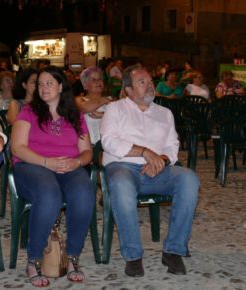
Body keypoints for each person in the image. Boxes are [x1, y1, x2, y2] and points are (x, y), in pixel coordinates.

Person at [100, 64, 199, 277]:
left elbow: (172, 145)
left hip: (158, 169)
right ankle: (133, 255)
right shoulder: (115, 109)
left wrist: (160, 160)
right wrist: (145, 152)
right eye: (142, 82)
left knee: (189, 179)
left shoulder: (165, 113)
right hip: (123, 166)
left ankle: (173, 250)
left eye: (150, 81)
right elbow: (109, 142)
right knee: (121, 184)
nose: (149, 86)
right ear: (128, 90)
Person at [11, 65, 95, 287]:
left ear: (60, 86)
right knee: (50, 195)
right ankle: (34, 259)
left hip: (68, 166)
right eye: (40, 84)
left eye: (49, 83)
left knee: (84, 191)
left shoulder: (75, 115)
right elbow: (17, 148)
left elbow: (87, 152)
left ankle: (73, 256)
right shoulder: (28, 112)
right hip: (32, 166)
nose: (44, 87)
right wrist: (47, 162)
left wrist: (76, 162)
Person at [76, 66, 111, 145]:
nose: (98, 82)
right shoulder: (80, 100)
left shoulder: (111, 99)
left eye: (100, 79)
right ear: (85, 85)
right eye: (93, 79)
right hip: (88, 148)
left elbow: (120, 116)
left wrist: (103, 115)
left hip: (108, 147)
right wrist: (105, 100)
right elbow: (86, 107)